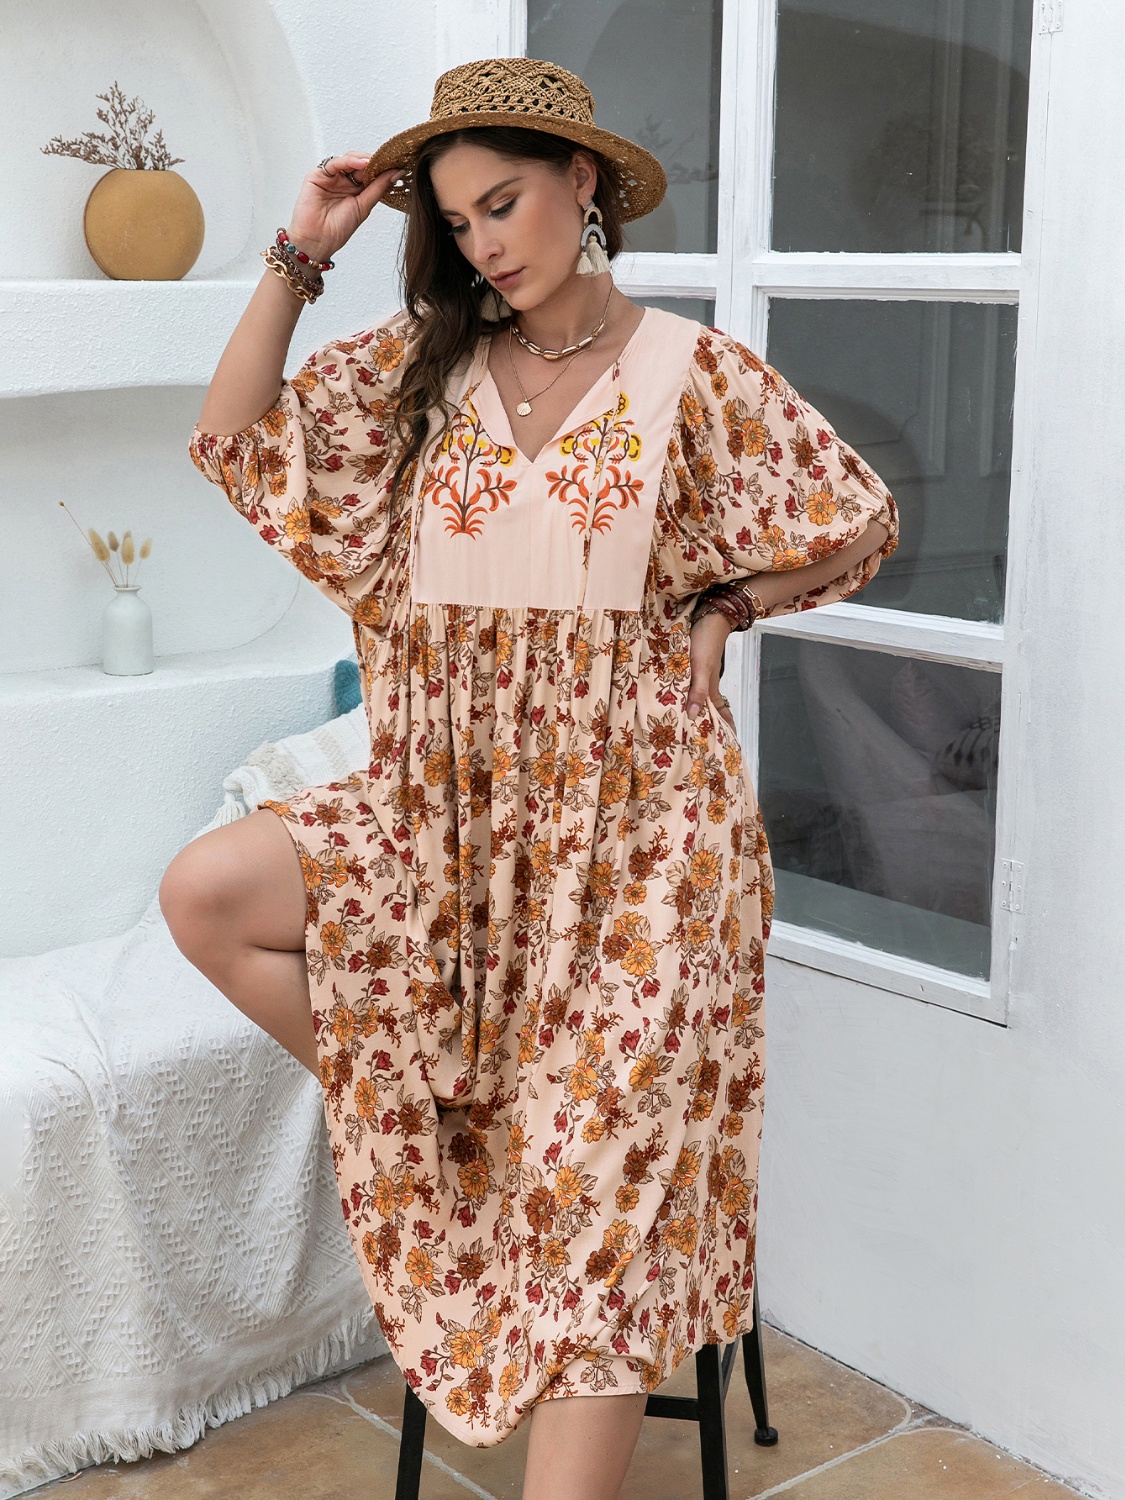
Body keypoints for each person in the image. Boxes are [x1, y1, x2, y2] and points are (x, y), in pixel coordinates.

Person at [162, 55, 897, 1500]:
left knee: (597, 1220)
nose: (484, 243)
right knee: (209, 895)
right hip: (449, 823)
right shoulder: (424, 371)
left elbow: (856, 518)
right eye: (457, 221)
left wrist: (724, 606)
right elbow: (237, 441)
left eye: (502, 203)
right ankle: (442, 1134)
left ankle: (553, 1232)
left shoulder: (690, 372)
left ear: (583, 183)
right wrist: (303, 251)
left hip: (645, 843)